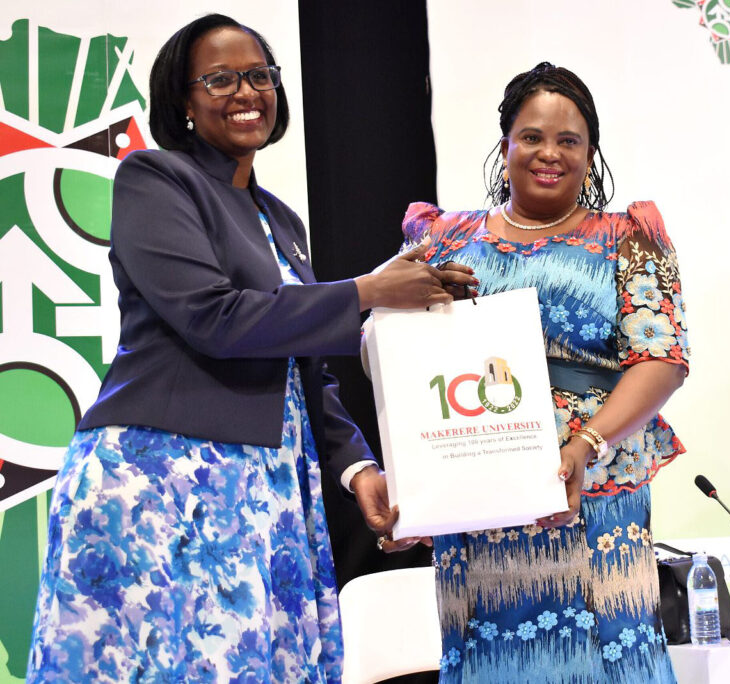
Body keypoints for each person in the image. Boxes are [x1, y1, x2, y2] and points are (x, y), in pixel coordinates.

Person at [25, 14, 471, 682]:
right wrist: (369, 289)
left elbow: (308, 370)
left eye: (259, 75)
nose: (247, 92)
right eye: (221, 79)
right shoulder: (155, 179)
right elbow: (214, 318)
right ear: (184, 99)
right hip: (164, 481)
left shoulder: (281, 220)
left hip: (265, 487)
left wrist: (358, 470)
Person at [395, 62, 690, 682]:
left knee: (608, 659)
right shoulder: (445, 239)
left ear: (591, 153)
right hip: (476, 501)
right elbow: (390, 348)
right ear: (505, 146)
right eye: (531, 137)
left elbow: (662, 359)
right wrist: (415, 482)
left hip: (592, 495)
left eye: (568, 140)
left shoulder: (627, 239)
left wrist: (585, 443)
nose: (548, 153)